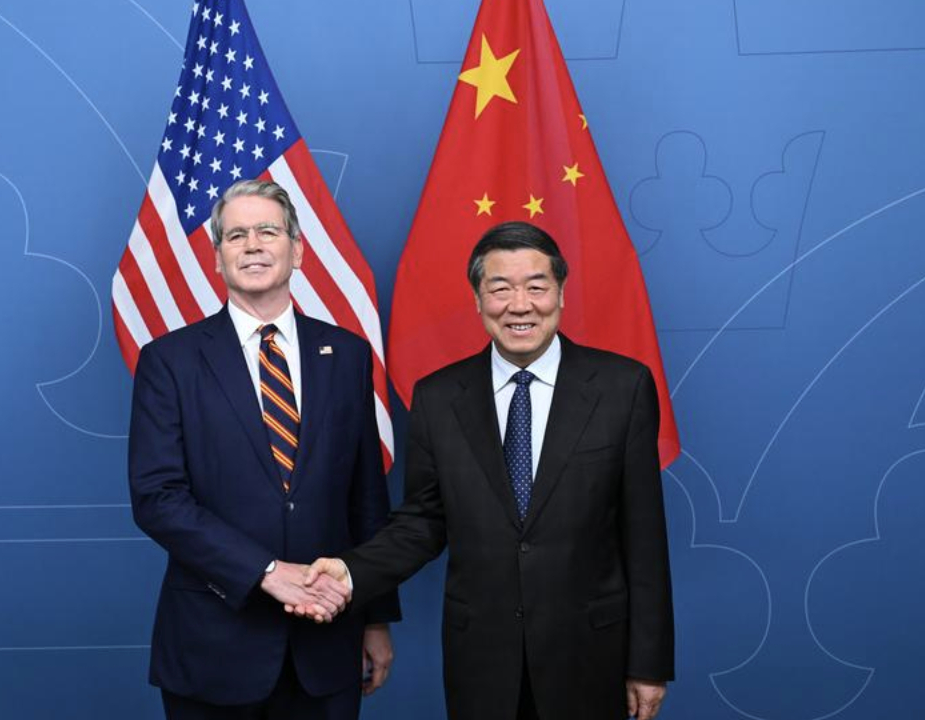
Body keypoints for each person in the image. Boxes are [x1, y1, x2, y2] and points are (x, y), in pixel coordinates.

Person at [298, 221, 674, 720]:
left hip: (589, 656)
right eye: (500, 289)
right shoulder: (437, 398)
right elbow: (422, 523)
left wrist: (649, 664)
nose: (520, 305)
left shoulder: (622, 388)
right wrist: (349, 573)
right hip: (482, 662)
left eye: (536, 287)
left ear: (561, 293)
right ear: (478, 300)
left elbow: (644, 537)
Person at [128, 179, 400, 720]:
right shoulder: (169, 361)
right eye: (236, 235)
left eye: (267, 231)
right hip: (214, 645)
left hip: (327, 643)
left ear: (297, 251)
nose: (252, 245)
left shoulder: (347, 354)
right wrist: (267, 571)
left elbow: (366, 496)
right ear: (217, 258)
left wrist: (374, 617)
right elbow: (158, 499)